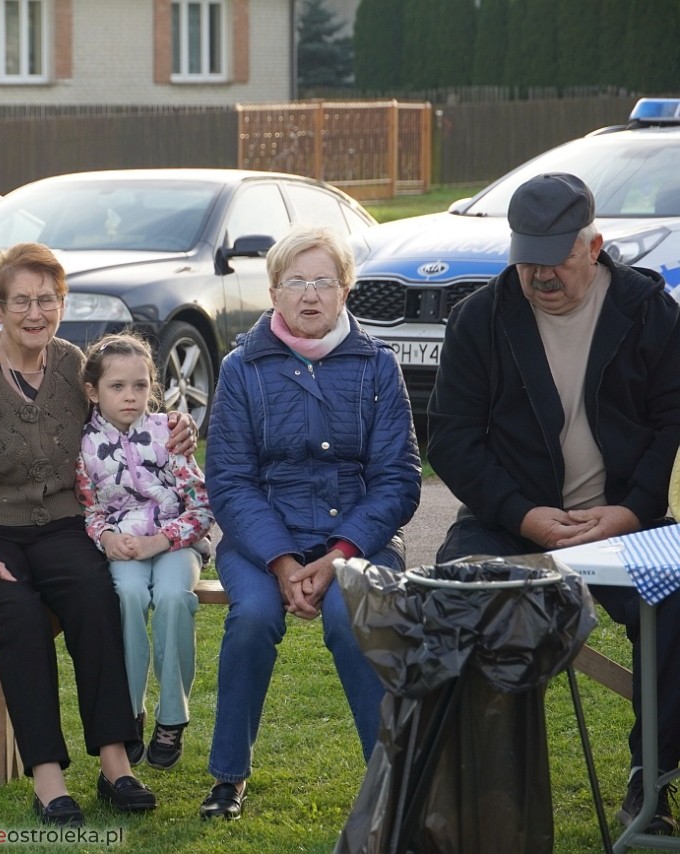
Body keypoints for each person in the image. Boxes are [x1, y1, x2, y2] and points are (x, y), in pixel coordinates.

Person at [0, 242, 197, 827]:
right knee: (20, 614)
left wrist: (174, 425)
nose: (35, 313)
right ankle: (47, 775)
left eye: (48, 300)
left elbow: (129, 407)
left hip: (61, 524)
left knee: (95, 595)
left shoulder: (69, 364)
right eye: (21, 301)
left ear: (62, 303)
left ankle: (116, 762)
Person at [428, 172, 680, 835]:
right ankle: (489, 790)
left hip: (628, 521)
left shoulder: (650, 310)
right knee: (462, 595)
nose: (539, 274)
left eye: (555, 257)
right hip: (511, 520)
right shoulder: (478, 319)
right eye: (526, 256)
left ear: (593, 246)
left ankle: (649, 783)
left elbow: (672, 420)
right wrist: (522, 515)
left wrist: (631, 511)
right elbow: (451, 441)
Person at [201, 224, 421, 820]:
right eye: (295, 281)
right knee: (252, 619)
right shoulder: (243, 368)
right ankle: (227, 778)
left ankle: (390, 780)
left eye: (324, 281)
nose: (309, 294)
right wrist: (282, 560)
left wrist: (343, 551)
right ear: (273, 292)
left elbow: (400, 479)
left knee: (353, 622)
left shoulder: (378, 367)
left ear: (346, 290)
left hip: (360, 542)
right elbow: (229, 480)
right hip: (260, 544)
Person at [74, 332, 212, 771]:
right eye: (117, 387)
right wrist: (107, 540)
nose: (130, 397)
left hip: (177, 542)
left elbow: (203, 506)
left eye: (140, 385)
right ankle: (128, 712)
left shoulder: (169, 432)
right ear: (93, 392)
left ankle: (172, 717)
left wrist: (162, 540)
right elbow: (88, 509)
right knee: (127, 598)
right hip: (122, 548)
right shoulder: (83, 446)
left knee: (173, 598)